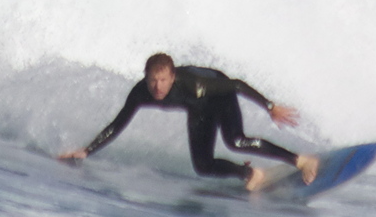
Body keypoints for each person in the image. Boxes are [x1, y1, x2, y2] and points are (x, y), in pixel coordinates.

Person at [58, 53, 319, 191]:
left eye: (163, 80)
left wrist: (270, 107)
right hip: (197, 109)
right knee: (203, 166)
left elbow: (237, 85)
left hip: (218, 96)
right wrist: (87, 150)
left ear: (173, 77)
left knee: (236, 140)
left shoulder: (196, 86)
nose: (157, 87)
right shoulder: (141, 92)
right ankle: (252, 174)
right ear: (146, 78)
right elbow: (118, 124)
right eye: (152, 80)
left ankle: (301, 160)